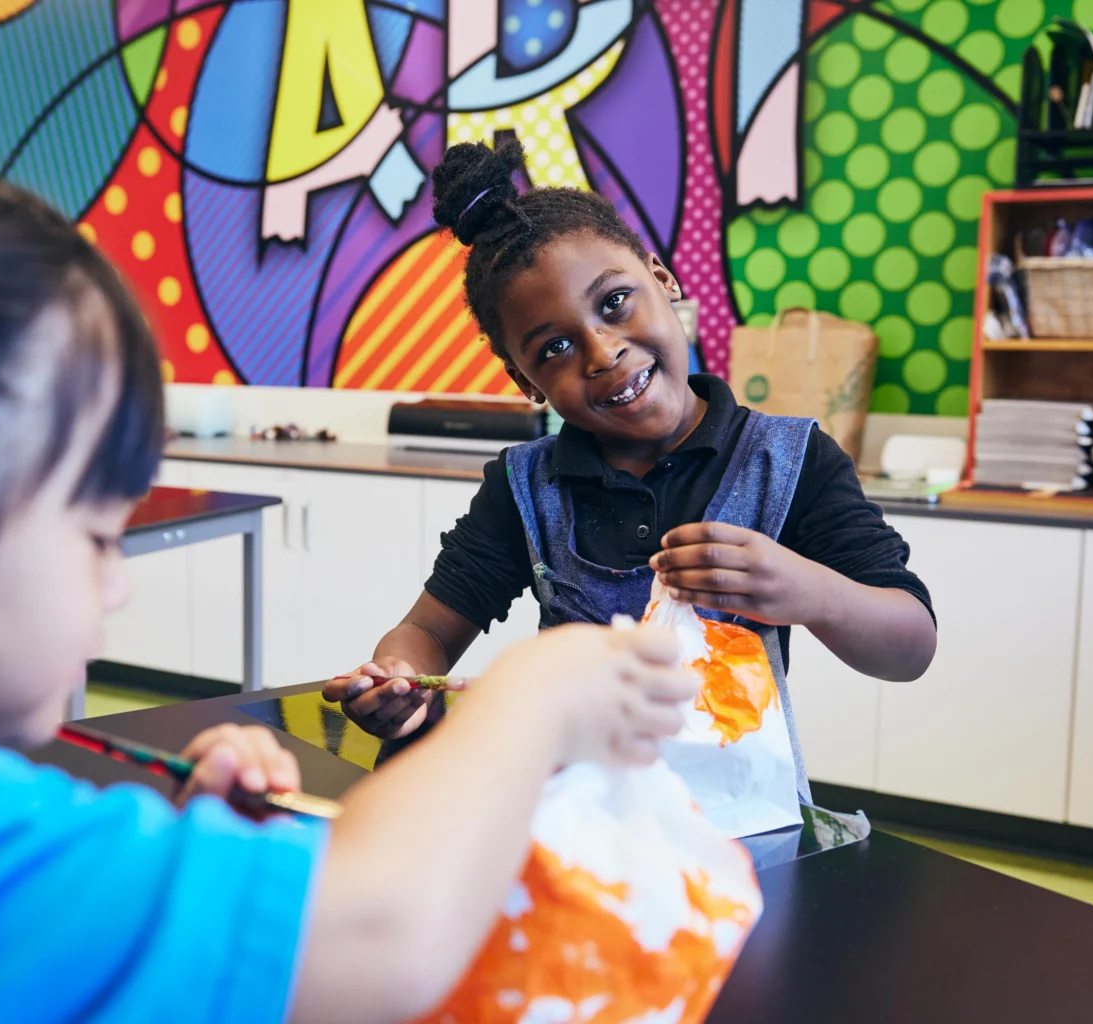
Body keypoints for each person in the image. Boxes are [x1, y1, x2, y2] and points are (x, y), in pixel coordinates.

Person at [0, 145, 698, 1023]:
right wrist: (535, 695)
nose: (114, 586)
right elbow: (384, 927)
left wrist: (193, 873)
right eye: (90, 530)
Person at [325, 138, 938, 806]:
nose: (602, 351)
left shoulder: (789, 462)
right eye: (553, 348)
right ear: (523, 381)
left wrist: (809, 591)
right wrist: (401, 679)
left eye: (614, 302)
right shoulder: (525, 487)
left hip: (737, 826)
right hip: (573, 824)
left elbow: (909, 646)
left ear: (662, 278)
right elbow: (429, 632)